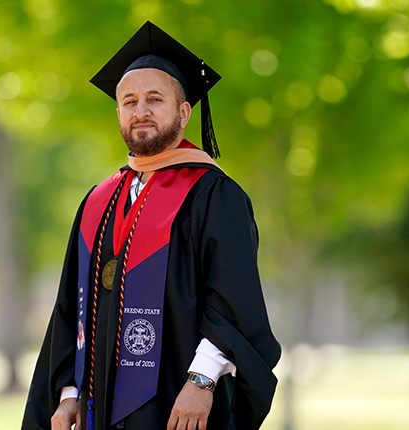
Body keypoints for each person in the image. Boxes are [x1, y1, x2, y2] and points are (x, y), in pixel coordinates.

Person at [21, 21, 280, 430]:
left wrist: (201, 381)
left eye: (154, 99)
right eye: (129, 101)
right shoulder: (98, 202)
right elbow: (71, 307)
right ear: (119, 112)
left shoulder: (214, 194)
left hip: (181, 405)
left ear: (183, 112)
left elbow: (232, 300)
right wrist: (69, 393)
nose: (140, 110)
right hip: (97, 407)